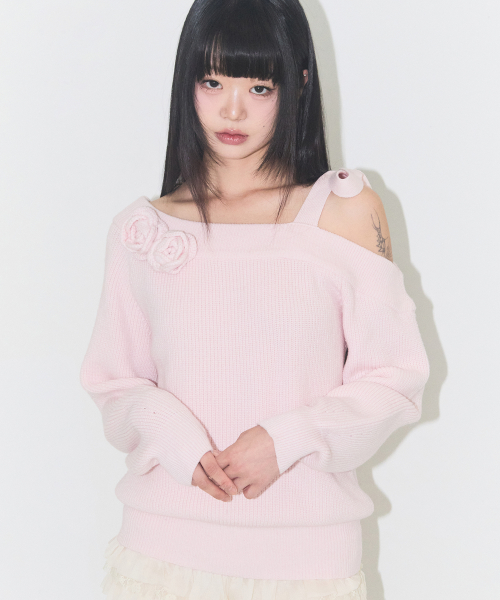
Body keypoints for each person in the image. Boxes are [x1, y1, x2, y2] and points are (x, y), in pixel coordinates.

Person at [80, 0, 430, 598]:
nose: (233, 109)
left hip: (305, 561)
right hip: (159, 554)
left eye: (259, 87)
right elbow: (114, 382)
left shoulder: (344, 212)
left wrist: (287, 440)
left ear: (298, 83)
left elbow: (394, 378)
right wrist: (174, 437)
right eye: (212, 82)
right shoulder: (143, 229)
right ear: (186, 83)